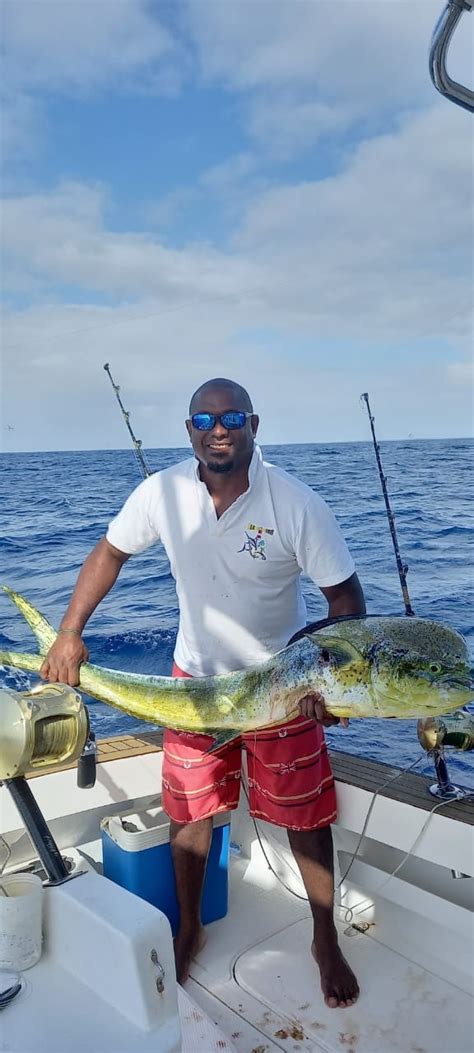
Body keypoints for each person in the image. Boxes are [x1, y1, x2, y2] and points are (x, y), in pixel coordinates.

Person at [41, 377, 366, 1009]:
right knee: (189, 815)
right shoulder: (160, 491)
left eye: (233, 417)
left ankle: (325, 936)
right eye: (205, 419)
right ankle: (189, 924)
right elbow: (110, 552)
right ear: (189, 430)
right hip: (197, 683)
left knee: (305, 817)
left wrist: (328, 681)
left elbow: (346, 601)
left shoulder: (297, 504)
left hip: (281, 685)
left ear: (254, 426)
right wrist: (69, 634)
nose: (219, 428)